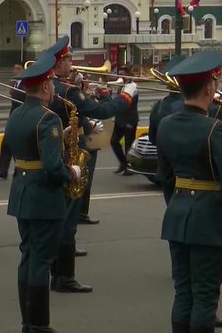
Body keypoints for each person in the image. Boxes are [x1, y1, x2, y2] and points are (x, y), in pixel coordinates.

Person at [156, 51, 222, 333]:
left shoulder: (166, 125)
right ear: (209, 88)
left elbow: (164, 177)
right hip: (209, 219)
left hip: (177, 215)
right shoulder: (214, 130)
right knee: (205, 298)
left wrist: (179, 204)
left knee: (183, 293)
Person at [46, 35, 137, 292]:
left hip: (58, 154)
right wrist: (125, 97)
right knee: (68, 221)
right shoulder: (67, 90)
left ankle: (57, 272)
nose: (72, 64)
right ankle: (64, 278)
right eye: (68, 60)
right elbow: (101, 112)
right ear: (59, 62)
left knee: (60, 219)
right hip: (70, 157)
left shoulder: (53, 86)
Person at [5, 52, 81, 333]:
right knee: (40, 260)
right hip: (43, 198)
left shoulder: (18, 114)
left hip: (22, 192)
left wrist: (56, 141)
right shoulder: (48, 119)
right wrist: (72, 172)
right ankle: (38, 323)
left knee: (27, 255)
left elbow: (27, 148)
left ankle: (27, 320)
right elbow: (51, 167)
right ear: (46, 86)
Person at [0, 64, 25, 179]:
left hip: (22, 118)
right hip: (13, 117)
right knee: (6, 144)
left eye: (18, 69)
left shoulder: (26, 83)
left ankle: (20, 169)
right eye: (14, 68)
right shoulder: (15, 82)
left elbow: (22, 96)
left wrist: (13, 91)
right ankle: (2, 170)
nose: (15, 71)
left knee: (18, 145)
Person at [110, 66, 139, 175]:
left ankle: (129, 167)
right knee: (113, 142)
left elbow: (129, 103)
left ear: (128, 75)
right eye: (119, 74)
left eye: (123, 74)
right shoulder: (120, 86)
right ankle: (123, 163)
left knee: (128, 145)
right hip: (119, 119)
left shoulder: (133, 86)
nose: (120, 76)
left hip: (129, 119)